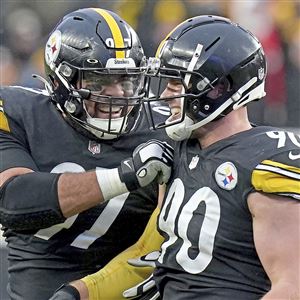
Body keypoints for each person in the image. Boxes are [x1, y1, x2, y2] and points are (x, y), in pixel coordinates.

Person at [0, 7, 174, 300]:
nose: (117, 93)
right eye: (98, 81)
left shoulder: (167, 129)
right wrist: (124, 176)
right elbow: (13, 202)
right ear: (61, 81)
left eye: (126, 79)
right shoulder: (19, 112)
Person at [125, 15, 300, 299]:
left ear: (218, 89)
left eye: (175, 84)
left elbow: (292, 287)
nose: (165, 96)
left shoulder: (264, 162)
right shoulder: (178, 148)